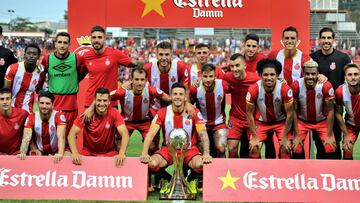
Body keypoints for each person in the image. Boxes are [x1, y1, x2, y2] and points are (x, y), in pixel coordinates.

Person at [140, 83, 212, 193]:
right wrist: (144, 153)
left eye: (181, 94)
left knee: (201, 164)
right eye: (175, 94)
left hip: (189, 150)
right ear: (171, 96)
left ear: (185, 97)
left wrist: (206, 153)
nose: (178, 97)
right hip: (168, 150)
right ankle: (167, 179)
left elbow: (203, 134)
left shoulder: (194, 112)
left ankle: (192, 179)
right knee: (151, 163)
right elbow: (150, 134)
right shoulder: (162, 112)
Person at [310, 27, 352, 159]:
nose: (326, 41)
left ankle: (336, 172)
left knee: (335, 142)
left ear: (333, 40)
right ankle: (321, 174)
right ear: (319, 40)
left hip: (336, 108)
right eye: (323, 38)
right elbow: (306, 79)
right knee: (320, 144)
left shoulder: (343, 58)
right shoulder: (313, 58)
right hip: (318, 109)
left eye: (329, 38)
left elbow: (350, 80)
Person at [68, 87, 130, 167]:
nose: (102, 104)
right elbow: (71, 134)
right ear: (95, 100)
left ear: (109, 101)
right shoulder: (87, 114)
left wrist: (121, 153)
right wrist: (75, 153)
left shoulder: (114, 113)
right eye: (99, 100)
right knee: (74, 164)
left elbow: (125, 134)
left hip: (109, 153)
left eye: (105, 101)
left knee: (121, 164)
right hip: (88, 153)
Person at [246, 58, 294, 159]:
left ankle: (283, 173)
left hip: (280, 122)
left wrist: (285, 137)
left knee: (285, 148)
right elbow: (249, 114)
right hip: (261, 122)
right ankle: (257, 174)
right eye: (265, 75)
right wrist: (254, 137)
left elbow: (290, 114)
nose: (269, 78)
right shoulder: (253, 89)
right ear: (260, 75)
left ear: (277, 75)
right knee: (254, 148)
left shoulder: (285, 89)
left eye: (272, 75)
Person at [41, 32, 86, 139]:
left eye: (65, 43)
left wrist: (74, 81)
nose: (62, 45)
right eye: (59, 42)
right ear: (55, 44)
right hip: (53, 105)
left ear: (69, 45)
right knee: (52, 137)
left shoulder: (77, 59)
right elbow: (41, 79)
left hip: (71, 105)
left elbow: (83, 73)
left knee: (69, 138)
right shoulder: (47, 59)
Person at [82, 26, 138, 108]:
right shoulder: (86, 56)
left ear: (104, 39)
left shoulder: (114, 54)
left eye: (99, 37)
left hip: (110, 101)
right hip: (91, 102)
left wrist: (130, 81)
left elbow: (134, 63)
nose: (96, 40)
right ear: (91, 39)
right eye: (94, 37)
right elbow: (79, 74)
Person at [291, 60, 336, 159]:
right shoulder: (296, 85)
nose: (310, 77)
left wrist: (328, 136)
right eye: (307, 74)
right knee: (296, 147)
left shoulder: (326, 86)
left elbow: (331, 111)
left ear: (318, 74)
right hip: (302, 121)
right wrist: (297, 135)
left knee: (330, 147)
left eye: (313, 74)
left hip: (322, 121)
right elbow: (293, 110)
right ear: (303, 73)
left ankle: (324, 172)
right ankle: (300, 171)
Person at [222, 54, 259, 158]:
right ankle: (234, 173)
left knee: (254, 149)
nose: (234, 69)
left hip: (252, 119)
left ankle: (256, 173)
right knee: (231, 148)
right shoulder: (227, 77)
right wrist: (198, 80)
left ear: (245, 65)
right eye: (232, 66)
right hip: (235, 118)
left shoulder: (256, 79)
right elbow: (212, 77)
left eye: (237, 65)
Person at [190, 64, 229, 158]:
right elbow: (189, 105)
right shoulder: (195, 88)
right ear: (201, 76)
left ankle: (222, 171)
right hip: (201, 123)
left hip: (219, 122)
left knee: (221, 148)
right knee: (201, 148)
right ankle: (200, 172)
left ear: (215, 76)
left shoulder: (223, 85)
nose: (208, 79)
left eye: (211, 76)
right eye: (205, 76)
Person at [17, 91, 66, 163]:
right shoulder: (31, 117)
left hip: (56, 151)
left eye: (47, 103)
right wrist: (22, 153)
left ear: (53, 105)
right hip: (40, 151)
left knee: (66, 157)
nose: (44, 106)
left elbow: (61, 137)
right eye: (42, 103)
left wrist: (60, 154)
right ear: (38, 104)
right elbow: (26, 139)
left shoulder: (59, 116)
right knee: (30, 155)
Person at [143, 41, 189, 109]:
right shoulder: (147, 68)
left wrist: (187, 104)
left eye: (167, 54)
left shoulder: (180, 67)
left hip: (175, 108)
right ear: (156, 54)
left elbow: (186, 89)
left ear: (171, 54)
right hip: (154, 109)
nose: (164, 58)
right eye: (161, 54)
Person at [4, 44, 45, 113]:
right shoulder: (13, 68)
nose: (31, 56)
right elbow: (6, 91)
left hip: (28, 111)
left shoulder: (40, 73)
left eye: (34, 54)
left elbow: (39, 90)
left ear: (38, 56)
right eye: (29, 53)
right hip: (12, 109)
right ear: (24, 54)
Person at [335, 64, 360, 160]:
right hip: (351, 125)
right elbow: (338, 113)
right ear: (345, 77)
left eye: (356, 74)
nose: (353, 77)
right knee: (347, 148)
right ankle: (349, 174)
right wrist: (346, 135)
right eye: (349, 75)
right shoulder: (340, 91)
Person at [0, 87, 29, 155]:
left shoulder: (23, 114)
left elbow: (32, 133)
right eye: (2, 99)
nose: (5, 102)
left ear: (12, 100)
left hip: (18, 155)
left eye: (7, 99)